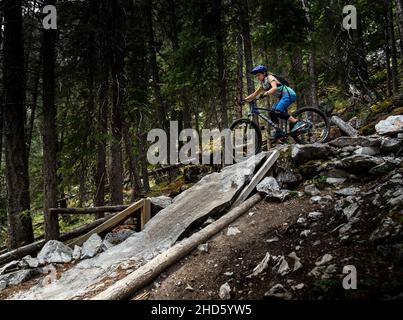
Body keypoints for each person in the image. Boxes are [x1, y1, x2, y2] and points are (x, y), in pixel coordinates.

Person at [244, 65, 306, 139]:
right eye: (256, 76)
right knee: (272, 112)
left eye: (258, 75)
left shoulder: (270, 77)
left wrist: (265, 94)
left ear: (264, 73)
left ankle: (297, 122)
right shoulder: (263, 84)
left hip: (288, 94)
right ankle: (278, 131)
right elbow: (254, 95)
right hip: (283, 97)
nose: (257, 77)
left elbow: (274, 87)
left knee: (278, 111)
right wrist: (244, 100)